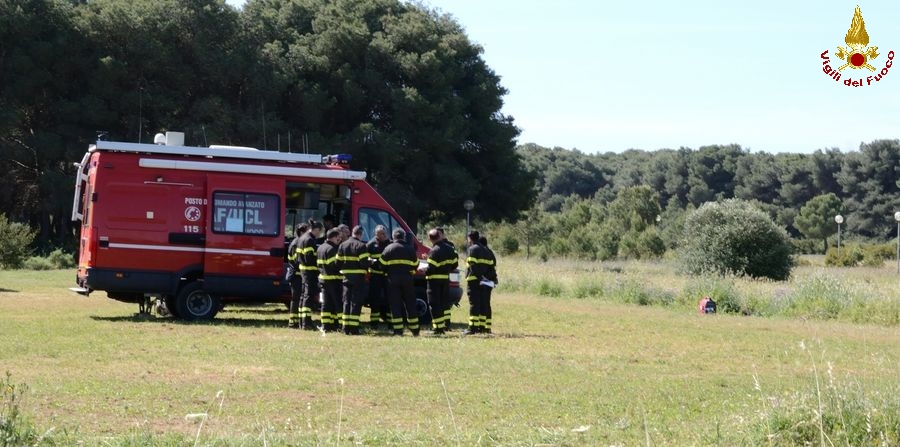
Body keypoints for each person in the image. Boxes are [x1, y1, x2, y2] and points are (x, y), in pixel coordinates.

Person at [381, 229, 420, 336]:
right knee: (410, 304)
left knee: (395, 305)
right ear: (403, 237)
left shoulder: (388, 248)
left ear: (393, 237)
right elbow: (416, 264)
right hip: (407, 279)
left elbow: (382, 265)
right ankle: (415, 329)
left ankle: (398, 330)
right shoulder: (410, 249)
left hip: (392, 280)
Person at [421, 228, 458, 334]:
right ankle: (445, 324)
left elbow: (430, 269)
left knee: (434, 304)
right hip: (445, 280)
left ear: (430, 239)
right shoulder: (450, 248)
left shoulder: (434, 251)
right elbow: (455, 264)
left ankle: (438, 328)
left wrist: (423, 269)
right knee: (444, 303)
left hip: (433, 281)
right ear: (439, 236)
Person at [337, 225, 369, 335]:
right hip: (358, 279)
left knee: (346, 302)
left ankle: (345, 328)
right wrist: (370, 263)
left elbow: (338, 262)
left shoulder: (342, 245)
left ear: (352, 233)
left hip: (346, 278)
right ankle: (354, 328)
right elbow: (364, 263)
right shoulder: (361, 246)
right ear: (360, 234)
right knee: (356, 302)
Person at [464, 231, 494, 335]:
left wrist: (479, 277)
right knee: (482, 304)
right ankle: (482, 326)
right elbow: (491, 267)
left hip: (474, 280)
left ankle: (472, 328)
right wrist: (485, 279)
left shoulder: (472, 249)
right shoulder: (486, 250)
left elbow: (472, 265)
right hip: (485, 282)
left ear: (470, 238)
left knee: (474, 304)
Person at [295, 220, 323, 329]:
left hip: (303, 271)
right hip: (309, 272)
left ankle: (302, 321)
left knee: (303, 296)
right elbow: (309, 258)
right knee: (308, 296)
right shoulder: (309, 240)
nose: (320, 235)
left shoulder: (302, 238)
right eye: (320, 232)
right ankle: (306, 322)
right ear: (316, 230)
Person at [317, 228, 343, 332]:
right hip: (333, 280)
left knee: (326, 304)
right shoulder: (332, 249)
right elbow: (334, 266)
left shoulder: (320, 248)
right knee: (337, 303)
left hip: (323, 280)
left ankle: (325, 325)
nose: (339, 239)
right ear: (334, 237)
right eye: (338, 237)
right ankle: (341, 325)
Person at [366, 225, 391, 329]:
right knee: (375, 300)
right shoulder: (371, 244)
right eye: (382, 234)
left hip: (388, 276)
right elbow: (365, 259)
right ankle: (374, 323)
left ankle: (391, 323)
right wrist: (371, 262)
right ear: (376, 234)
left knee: (389, 299)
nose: (384, 235)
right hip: (375, 276)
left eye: (385, 233)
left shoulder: (390, 244)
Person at [286, 222, 309, 328]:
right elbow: (296, 260)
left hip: (298, 275)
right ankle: (293, 322)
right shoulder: (296, 243)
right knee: (296, 299)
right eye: (306, 231)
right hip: (296, 275)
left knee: (298, 298)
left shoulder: (298, 241)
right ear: (301, 232)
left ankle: (296, 320)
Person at [435, 226, 457, 328]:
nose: (437, 235)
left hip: (448, 274)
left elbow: (454, 260)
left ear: (443, 234)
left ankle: (446, 322)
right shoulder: (435, 244)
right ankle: (443, 322)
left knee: (445, 300)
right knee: (440, 300)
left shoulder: (449, 245)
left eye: (438, 233)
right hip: (440, 275)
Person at [478, 235, 498, 334]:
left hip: (486, 281)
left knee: (484, 304)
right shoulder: (490, 252)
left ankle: (484, 326)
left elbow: (487, 268)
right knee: (486, 303)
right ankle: (486, 326)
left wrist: (483, 276)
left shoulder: (484, 252)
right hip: (490, 281)